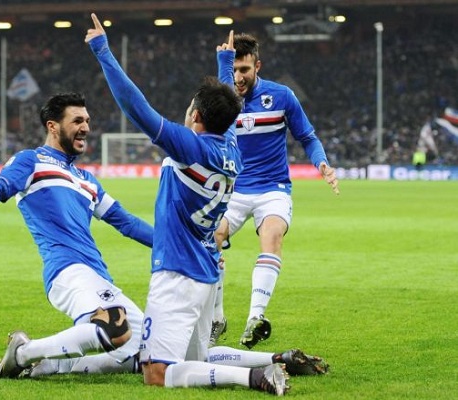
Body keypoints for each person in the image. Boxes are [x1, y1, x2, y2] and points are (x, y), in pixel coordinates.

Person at [86, 14, 328, 396]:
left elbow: (135, 105)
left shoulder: (189, 147)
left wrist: (103, 51)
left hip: (177, 272)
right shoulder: (231, 148)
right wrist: (225, 64)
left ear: (195, 116)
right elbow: (228, 108)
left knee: (156, 373)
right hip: (204, 272)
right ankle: (276, 359)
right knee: (198, 358)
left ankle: (255, 378)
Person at [0, 92, 155, 378]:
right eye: (77, 121)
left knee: (148, 354)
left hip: (98, 275)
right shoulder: (32, 161)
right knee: (114, 326)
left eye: (87, 120)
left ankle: (51, 367)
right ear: (53, 126)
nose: (86, 127)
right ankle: (22, 353)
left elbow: (126, 222)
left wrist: (179, 244)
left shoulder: (88, 181)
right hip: (68, 271)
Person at [209, 33, 340, 349]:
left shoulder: (281, 96)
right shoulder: (222, 100)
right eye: (234, 70)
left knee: (272, 236)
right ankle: (217, 318)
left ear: (258, 66)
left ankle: (255, 318)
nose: (238, 77)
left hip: (273, 188)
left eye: (244, 69)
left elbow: (307, 137)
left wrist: (321, 163)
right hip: (233, 190)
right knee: (210, 240)